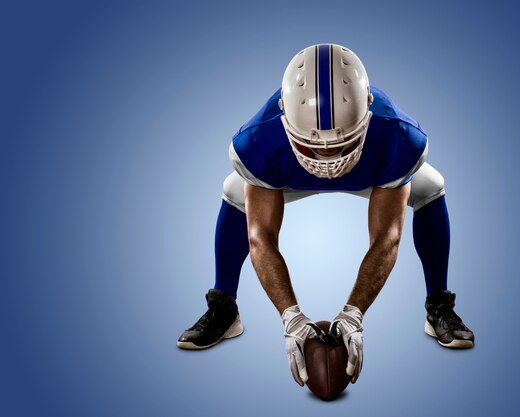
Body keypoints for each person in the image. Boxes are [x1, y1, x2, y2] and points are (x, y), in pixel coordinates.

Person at [177, 44, 475, 386]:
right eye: (313, 145)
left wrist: (353, 315)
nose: (327, 159)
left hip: (369, 171)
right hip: (291, 173)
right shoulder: (259, 140)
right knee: (234, 192)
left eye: (341, 144)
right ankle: (224, 307)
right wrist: (291, 318)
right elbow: (262, 238)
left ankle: (438, 304)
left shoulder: (396, 135)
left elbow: (387, 238)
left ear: (369, 114)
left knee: (431, 187)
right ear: (283, 116)